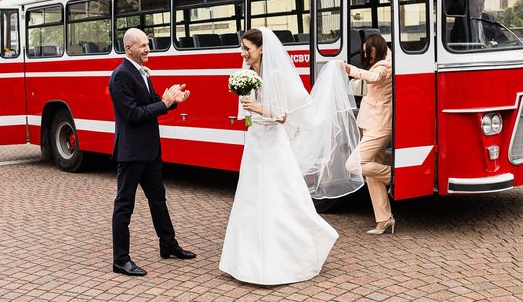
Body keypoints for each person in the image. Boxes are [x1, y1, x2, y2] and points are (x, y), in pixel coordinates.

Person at [219, 27, 340, 285]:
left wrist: (258, 107)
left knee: (280, 197)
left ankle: (298, 250)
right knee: (251, 199)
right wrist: (249, 111)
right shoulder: (249, 75)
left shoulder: (276, 76)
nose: (243, 54)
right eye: (242, 49)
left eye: (247, 49)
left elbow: (284, 114)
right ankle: (247, 260)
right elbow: (251, 114)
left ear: (261, 49)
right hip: (255, 143)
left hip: (273, 143)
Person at [109, 28, 195, 276]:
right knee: (124, 206)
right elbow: (133, 114)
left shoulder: (141, 72)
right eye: (143, 46)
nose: (148, 49)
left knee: (158, 200)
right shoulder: (120, 76)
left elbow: (153, 104)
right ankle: (121, 260)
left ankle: (168, 245)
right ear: (129, 49)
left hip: (150, 151)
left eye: (148, 44)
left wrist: (174, 100)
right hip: (131, 153)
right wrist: (164, 103)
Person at [344, 34, 394, 235]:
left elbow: (374, 77)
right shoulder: (385, 59)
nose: (367, 54)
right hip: (373, 123)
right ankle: (384, 219)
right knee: (372, 176)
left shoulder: (384, 67)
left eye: (369, 50)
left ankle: (394, 176)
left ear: (379, 48)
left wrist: (352, 70)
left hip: (378, 126)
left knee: (354, 164)